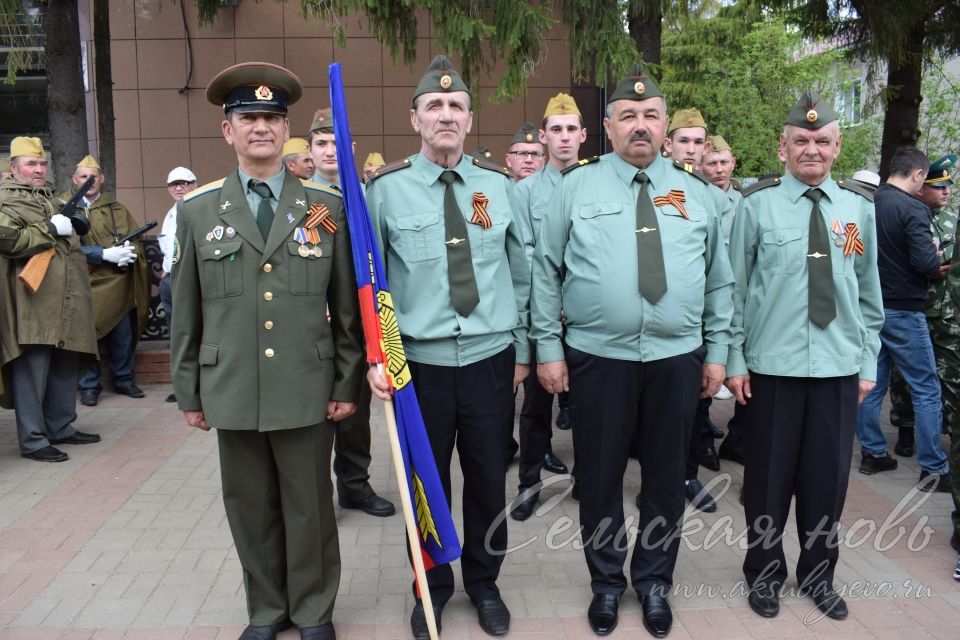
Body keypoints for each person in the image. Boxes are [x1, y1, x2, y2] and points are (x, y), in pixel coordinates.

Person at [533, 67, 733, 637]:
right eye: (628, 116)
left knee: (667, 478)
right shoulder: (576, 188)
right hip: (598, 357)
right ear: (607, 127)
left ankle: (653, 583)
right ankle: (604, 583)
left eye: (650, 116)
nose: (639, 126)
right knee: (598, 477)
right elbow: (545, 274)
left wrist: (716, 353)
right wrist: (549, 348)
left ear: (666, 127)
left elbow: (720, 283)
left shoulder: (696, 195)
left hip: (677, 358)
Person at [170, 62, 365, 640]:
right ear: (227, 131)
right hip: (230, 384)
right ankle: (267, 610)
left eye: (272, 119)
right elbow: (187, 308)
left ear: (287, 131)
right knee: (250, 510)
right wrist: (189, 390)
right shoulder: (200, 209)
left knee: (310, 509)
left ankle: (312, 612)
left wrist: (345, 383)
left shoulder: (324, 205)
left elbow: (346, 310)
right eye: (248, 118)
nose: (261, 128)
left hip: (307, 384)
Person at [365, 54, 530, 639]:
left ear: (469, 118)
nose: (445, 114)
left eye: (456, 105)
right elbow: (373, 282)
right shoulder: (383, 193)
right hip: (419, 365)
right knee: (425, 485)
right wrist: (378, 358)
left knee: (488, 479)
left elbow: (522, 273)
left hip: (490, 359)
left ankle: (485, 584)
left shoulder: (500, 187)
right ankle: (430, 587)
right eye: (434, 105)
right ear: (415, 119)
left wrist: (526, 350)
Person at [726, 93, 884, 621]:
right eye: (801, 141)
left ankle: (819, 575)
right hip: (772, 367)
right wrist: (735, 361)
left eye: (821, 141)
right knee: (767, 482)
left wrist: (867, 364)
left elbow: (867, 294)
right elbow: (736, 290)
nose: (811, 149)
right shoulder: (755, 206)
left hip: (838, 368)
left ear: (837, 146)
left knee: (827, 481)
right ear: (783, 148)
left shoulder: (858, 208)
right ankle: (764, 574)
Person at [305, 105, 395, 518]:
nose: (329, 151)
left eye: (336, 143)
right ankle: (315, 496)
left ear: (351, 147)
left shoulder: (369, 196)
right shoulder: (300, 201)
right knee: (317, 413)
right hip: (316, 329)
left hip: (361, 327)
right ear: (309, 150)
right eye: (321, 144)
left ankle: (354, 486)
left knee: (355, 412)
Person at [856, 147, 952, 492]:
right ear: (916, 176)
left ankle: (873, 453)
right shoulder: (913, 207)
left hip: (870, 307)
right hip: (904, 310)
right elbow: (927, 262)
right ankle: (933, 467)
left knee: (872, 383)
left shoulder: (869, 201)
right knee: (926, 388)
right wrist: (939, 261)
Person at [508, 92, 585, 521]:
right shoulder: (524, 192)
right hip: (543, 318)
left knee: (589, 407)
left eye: (572, 129)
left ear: (584, 135)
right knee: (536, 407)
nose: (565, 137)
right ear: (544, 136)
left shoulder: (597, 183)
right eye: (556, 129)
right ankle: (529, 484)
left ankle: (586, 480)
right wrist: (540, 314)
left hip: (587, 320)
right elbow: (525, 261)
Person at [0, 137, 101, 462]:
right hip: (32, 301)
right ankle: (33, 439)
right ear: (14, 168)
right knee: (32, 370)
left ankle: (60, 426)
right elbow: (10, 242)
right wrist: (49, 228)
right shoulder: (5, 202)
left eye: (42, 164)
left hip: (66, 300)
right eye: (31, 164)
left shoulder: (53, 199)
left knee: (63, 364)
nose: (39, 169)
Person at [658, 107, 730, 514]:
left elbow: (722, 270)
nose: (690, 149)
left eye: (697, 142)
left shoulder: (712, 197)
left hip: (699, 322)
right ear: (668, 144)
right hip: (664, 319)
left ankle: (687, 474)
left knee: (693, 409)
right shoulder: (654, 187)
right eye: (682, 140)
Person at [886, 155, 955, 458]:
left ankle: (949, 431)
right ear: (920, 185)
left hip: (945, 314)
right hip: (912, 309)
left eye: (948, 186)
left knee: (949, 376)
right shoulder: (910, 211)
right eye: (938, 186)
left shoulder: (952, 221)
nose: (946, 191)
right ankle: (907, 432)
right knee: (903, 379)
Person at [70, 155, 150, 407]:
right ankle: (89, 387)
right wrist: (101, 254)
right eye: (84, 176)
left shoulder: (117, 208)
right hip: (84, 283)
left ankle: (124, 381)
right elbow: (65, 248)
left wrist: (129, 254)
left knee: (122, 336)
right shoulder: (65, 208)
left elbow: (133, 240)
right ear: (74, 180)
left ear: (102, 179)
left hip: (117, 283)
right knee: (87, 338)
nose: (89, 181)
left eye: (94, 176)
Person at [158, 166, 198, 403]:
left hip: (191, 280)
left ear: (195, 184)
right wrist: (165, 273)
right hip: (172, 279)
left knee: (195, 333)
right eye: (174, 184)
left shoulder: (201, 210)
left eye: (184, 183)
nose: (179, 188)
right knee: (177, 336)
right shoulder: (171, 214)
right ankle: (184, 387)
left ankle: (197, 387)